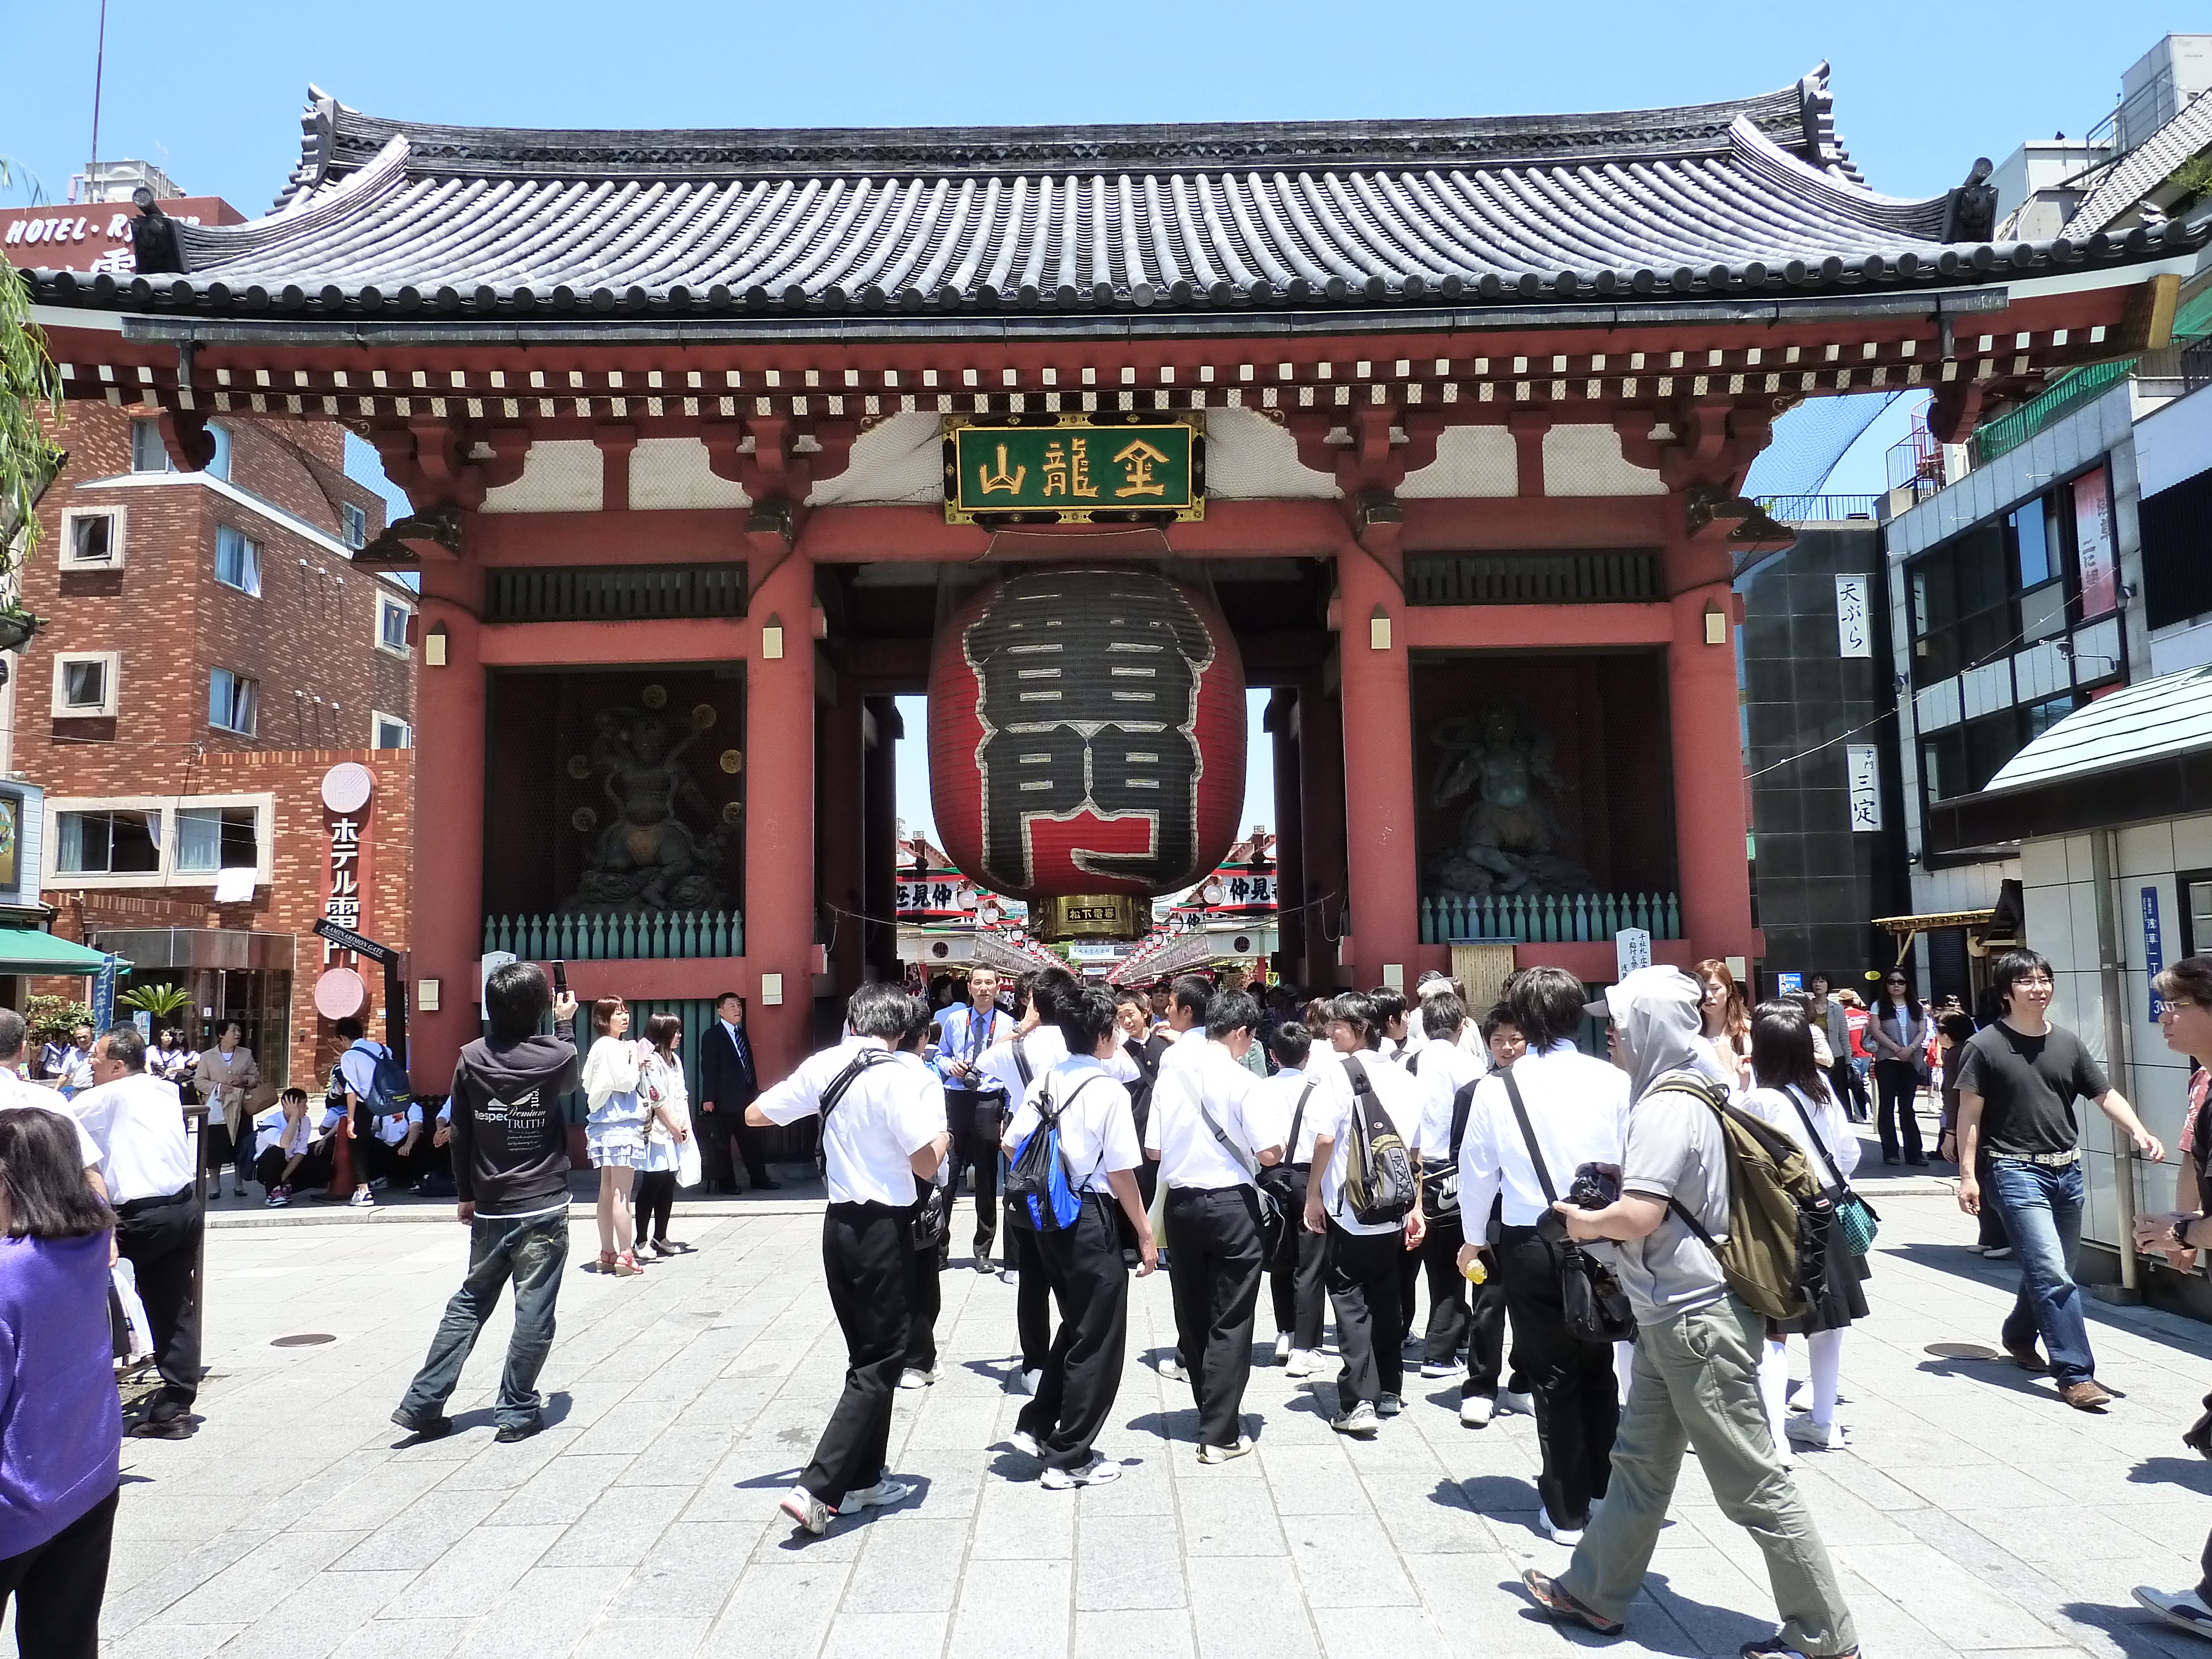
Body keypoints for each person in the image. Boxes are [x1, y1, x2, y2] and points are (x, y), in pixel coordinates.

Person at [1519, 966, 1858, 1658]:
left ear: (1648, 1027)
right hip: (1673, 1312)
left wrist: (1582, 1223)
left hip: (1693, 1318)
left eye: (1618, 1020)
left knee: (1754, 1484)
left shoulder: (1664, 1105)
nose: (1608, 1031)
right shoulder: (1698, 1086)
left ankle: (1825, 1637)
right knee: (1639, 1462)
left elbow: (1639, 1217)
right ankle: (1595, 1592)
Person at [749, 984, 948, 1533]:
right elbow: (926, 1163)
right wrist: (947, 1133)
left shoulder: (825, 1065)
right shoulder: (897, 1077)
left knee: (865, 1355)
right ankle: (818, 1488)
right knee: (883, 1359)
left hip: (838, 1224)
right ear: (902, 1028)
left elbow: (757, 1115)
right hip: (886, 1226)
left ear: (855, 1018)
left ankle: (864, 1480)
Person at [1455, 969, 1628, 1542]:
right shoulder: (1610, 1079)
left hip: (1532, 1238)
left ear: (1523, 1022)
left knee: (1550, 1372)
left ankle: (1564, 1506)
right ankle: (1605, 1491)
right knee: (1599, 1364)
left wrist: (1473, 1237)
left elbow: (1477, 1174)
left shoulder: (1496, 1087)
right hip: (1604, 1235)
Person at [1955, 948, 2163, 1411]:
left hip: (2066, 1169)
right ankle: (2075, 1374)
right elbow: (1969, 1113)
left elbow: (2103, 1093)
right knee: (2051, 1271)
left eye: (2044, 978)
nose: (2039, 987)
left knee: (2057, 1270)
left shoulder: (2067, 1042)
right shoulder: (1984, 1046)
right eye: (2027, 981)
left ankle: (2017, 1334)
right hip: (2013, 1169)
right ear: (2007, 992)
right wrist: (1968, 1177)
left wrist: (2140, 1131)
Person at [393, 962, 581, 1444]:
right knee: (534, 1308)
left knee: (471, 1301)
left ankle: (422, 1402)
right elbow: (568, 1083)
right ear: (540, 1008)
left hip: (492, 1203)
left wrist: (465, 1193)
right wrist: (563, 1024)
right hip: (541, 1203)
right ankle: (517, 1410)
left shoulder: (470, 1057)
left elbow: (461, 1134)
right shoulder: (554, 1055)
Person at [1003, 984, 1157, 1488]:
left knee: (1077, 1323)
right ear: (1104, 1035)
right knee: (1101, 1337)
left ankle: (1037, 1423)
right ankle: (1070, 1456)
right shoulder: (1107, 1089)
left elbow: (1010, 1143)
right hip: (1090, 1216)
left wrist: (1052, 1176)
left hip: (1048, 1217)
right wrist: (1146, 1233)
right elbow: (1120, 1175)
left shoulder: (1046, 1079)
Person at [0, 1108, 124, 1656]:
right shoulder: (91, 1237)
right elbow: (94, 1195)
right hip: (87, 1476)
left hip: (13, 1497)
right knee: (65, 1643)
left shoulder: (8, 1275)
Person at [1145, 987, 1282, 1462]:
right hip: (1231, 1205)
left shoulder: (1172, 1074)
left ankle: (1210, 1409)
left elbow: (1154, 1150)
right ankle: (1219, 1433)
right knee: (1233, 1315)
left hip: (1181, 1206)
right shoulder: (1245, 1082)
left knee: (1193, 1310)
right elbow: (1269, 1154)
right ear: (1241, 1033)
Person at [1739, 1000, 1867, 1455]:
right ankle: (1824, 1422)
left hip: (1781, 1221)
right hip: (1828, 1210)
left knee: (1774, 1328)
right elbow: (1849, 1154)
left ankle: (1774, 1436)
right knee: (1828, 1325)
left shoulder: (1759, 1100)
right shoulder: (1823, 1090)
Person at [2127, 954, 2212, 1639]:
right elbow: (2193, 1164)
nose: (2166, 1015)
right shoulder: (2205, 1082)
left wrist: (2185, 1229)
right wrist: (2187, 1237)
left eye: (2178, 1004)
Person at [1303, 992, 1426, 1437]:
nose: (1330, 1032)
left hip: (1351, 1209)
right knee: (1386, 1297)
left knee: (1351, 1300)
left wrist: (1313, 1194)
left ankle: (1357, 1401)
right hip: (1393, 1209)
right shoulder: (1406, 1078)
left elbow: (1323, 1141)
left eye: (1338, 1025)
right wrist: (1415, 1207)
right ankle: (1390, 1390)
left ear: (1360, 1030)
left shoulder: (1339, 1075)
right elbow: (1416, 1150)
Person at [70, 1023, 202, 1437]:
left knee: (76, 1284)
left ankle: (86, 1390)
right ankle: (177, 1403)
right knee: (173, 1303)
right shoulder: (166, 1089)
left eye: (97, 1057)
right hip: (184, 1208)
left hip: (140, 1217)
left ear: (118, 1066)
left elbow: (56, 1120)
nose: (91, 1062)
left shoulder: (108, 1095)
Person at [1405, 992, 1488, 1394]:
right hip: (1455, 1173)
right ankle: (1441, 1349)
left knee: (1422, 1262)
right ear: (1461, 1025)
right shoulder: (1470, 1065)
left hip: (1411, 1170)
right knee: (1454, 1262)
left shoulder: (1408, 1063)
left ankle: (1451, 1332)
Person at [933, 968, 1015, 1273]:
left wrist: (1006, 1112)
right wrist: (949, 1065)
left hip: (988, 1101)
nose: (983, 988)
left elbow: (1010, 1072)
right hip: (956, 1099)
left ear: (997, 988)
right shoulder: (953, 1020)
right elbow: (937, 1057)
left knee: (986, 1179)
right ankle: (940, 1249)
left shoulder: (1008, 1024)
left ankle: (983, 1250)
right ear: (969, 987)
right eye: (977, 983)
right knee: (948, 1178)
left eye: (989, 983)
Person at [1260, 1021, 1328, 1376]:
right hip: (1309, 1178)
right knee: (1311, 1263)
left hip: (1271, 1177)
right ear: (1308, 1054)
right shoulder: (1320, 1090)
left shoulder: (1261, 1090)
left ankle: (1285, 1332)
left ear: (1272, 1055)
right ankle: (1307, 1344)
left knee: (1279, 1257)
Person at [898, 1004, 954, 1390]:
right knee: (921, 1275)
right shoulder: (923, 1076)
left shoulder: (860, 1070)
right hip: (915, 1183)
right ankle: (919, 1361)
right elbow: (936, 1141)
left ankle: (891, 1354)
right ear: (922, 1037)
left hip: (869, 1189)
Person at [582, 998, 650, 1277]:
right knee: (622, 1194)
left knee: (607, 1191)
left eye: (625, 1012)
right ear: (604, 1019)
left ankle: (607, 1251)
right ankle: (626, 1254)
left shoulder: (600, 1047)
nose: (624, 1017)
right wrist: (636, 1058)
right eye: (617, 1013)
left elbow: (588, 1082)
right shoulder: (615, 1047)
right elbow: (626, 1081)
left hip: (602, 1124)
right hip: (621, 1124)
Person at [700, 992, 775, 1193]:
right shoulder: (712, 1035)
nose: (737, 1010)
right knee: (723, 1144)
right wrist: (709, 1098)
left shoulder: (742, 1034)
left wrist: (755, 1090)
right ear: (721, 1011)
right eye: (731, 1006)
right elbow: (709, 1067)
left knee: (752, 1141)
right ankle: (727, 1184)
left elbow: (748, 1064)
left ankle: (759, 1179)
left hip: (746, 1098)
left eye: (739, 1006)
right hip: (724, 1099)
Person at [635, 1014, 696, 1259]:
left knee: (668, 1184)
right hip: (657, 1132)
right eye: (675, 1032)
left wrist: (683, 1125)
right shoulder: (652, 1062)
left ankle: (661, 1235)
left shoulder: (676, 1061)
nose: (679, 1036)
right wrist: (672, 1127)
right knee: (652, 1183)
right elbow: (657, 1099)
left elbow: (681, 1095)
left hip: (674, 1131)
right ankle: (640, 1240)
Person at [185, 1020, 256, 1203]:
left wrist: (243, 1079)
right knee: (214, 1147)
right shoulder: (208, 1057)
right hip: (217, 1108)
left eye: (239, 1030)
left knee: (241, 1145)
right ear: (221, 1035)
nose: (237, 1034)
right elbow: (199, 1081)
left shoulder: (246, 1054)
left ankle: (239, 1184)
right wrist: (217, 1087)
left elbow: (256, 1078)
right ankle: (215, 1185)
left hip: (240, 1107)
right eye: (233, 1031)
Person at [327, 1016, 395, 1209]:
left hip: (365, 1105)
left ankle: (364, 1190)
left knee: (358, 1145)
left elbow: (352, 1089)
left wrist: (350, 1119)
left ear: (342, 1038)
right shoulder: (383, 1049)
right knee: (385, 1139)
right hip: (387, 1103)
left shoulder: (349, 1057)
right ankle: (386, 1176)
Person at [1115, 989, 1170, 1224]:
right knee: (1140, 1186)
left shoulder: (1167, 1046)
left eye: (1131, 1014)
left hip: (1166, 1128)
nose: (1127, 1021)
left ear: (1145, 1012)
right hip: (1135, 1128)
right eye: (1120, 1017)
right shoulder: (1120, 1052)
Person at [1867, 970, 1929, 1166]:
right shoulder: (1879, 1006)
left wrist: (1910, 1049)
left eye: (1901, 982)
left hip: (1911, 1060)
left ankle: (1914, 1153)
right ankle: (1890, 1152)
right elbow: (1875, 1030)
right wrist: (1896, 1048)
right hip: (1887, 1059)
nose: (1896, 985)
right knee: (1887, 1105)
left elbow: (1923, 1030)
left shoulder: (1916, 1007)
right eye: (1892, 981)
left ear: (1907, 985)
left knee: (1907, 1107)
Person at [1807, 976, 1867, 1123]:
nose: (1818, 985)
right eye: (1815, 982)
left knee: (1840, 1091)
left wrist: (1848, 1061)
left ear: (1829, 985)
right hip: (1814, 1056)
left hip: (1836, 1056)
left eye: (1822, 982)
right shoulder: (1807, 1007)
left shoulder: (1837, 1008)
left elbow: (1844, 1036)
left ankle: (1845, 1120)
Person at [252, 1087, 324, 1206]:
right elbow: (284, 1143)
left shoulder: (305, 1121)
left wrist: (283, 1178)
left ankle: (284, 1186)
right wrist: (294, 1116)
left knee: (326, 1170)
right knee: (277, 1150)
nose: (307, 1108)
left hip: (288, 1163)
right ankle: (273, 1193)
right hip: (267, 1167)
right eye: (304, 1105)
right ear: (291, 1107)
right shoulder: (271, 1121)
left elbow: (300, 1152)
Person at [1693, 958, 1751, 1092]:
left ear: (1729, 990)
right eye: (1702, 989)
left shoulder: (1749, 1030)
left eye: (1715, 989)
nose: (1708, 995)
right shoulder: (1690, 1037)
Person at [40, 1025, 92, 1096]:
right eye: (79, 1038)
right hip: (77, 1092)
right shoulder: (73, 1053)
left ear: (91, 1035)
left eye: (85, 1037)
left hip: (94, 1091)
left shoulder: (100, 1051)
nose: (82, 1040)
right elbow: (64, 1075)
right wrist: (55, 1091)